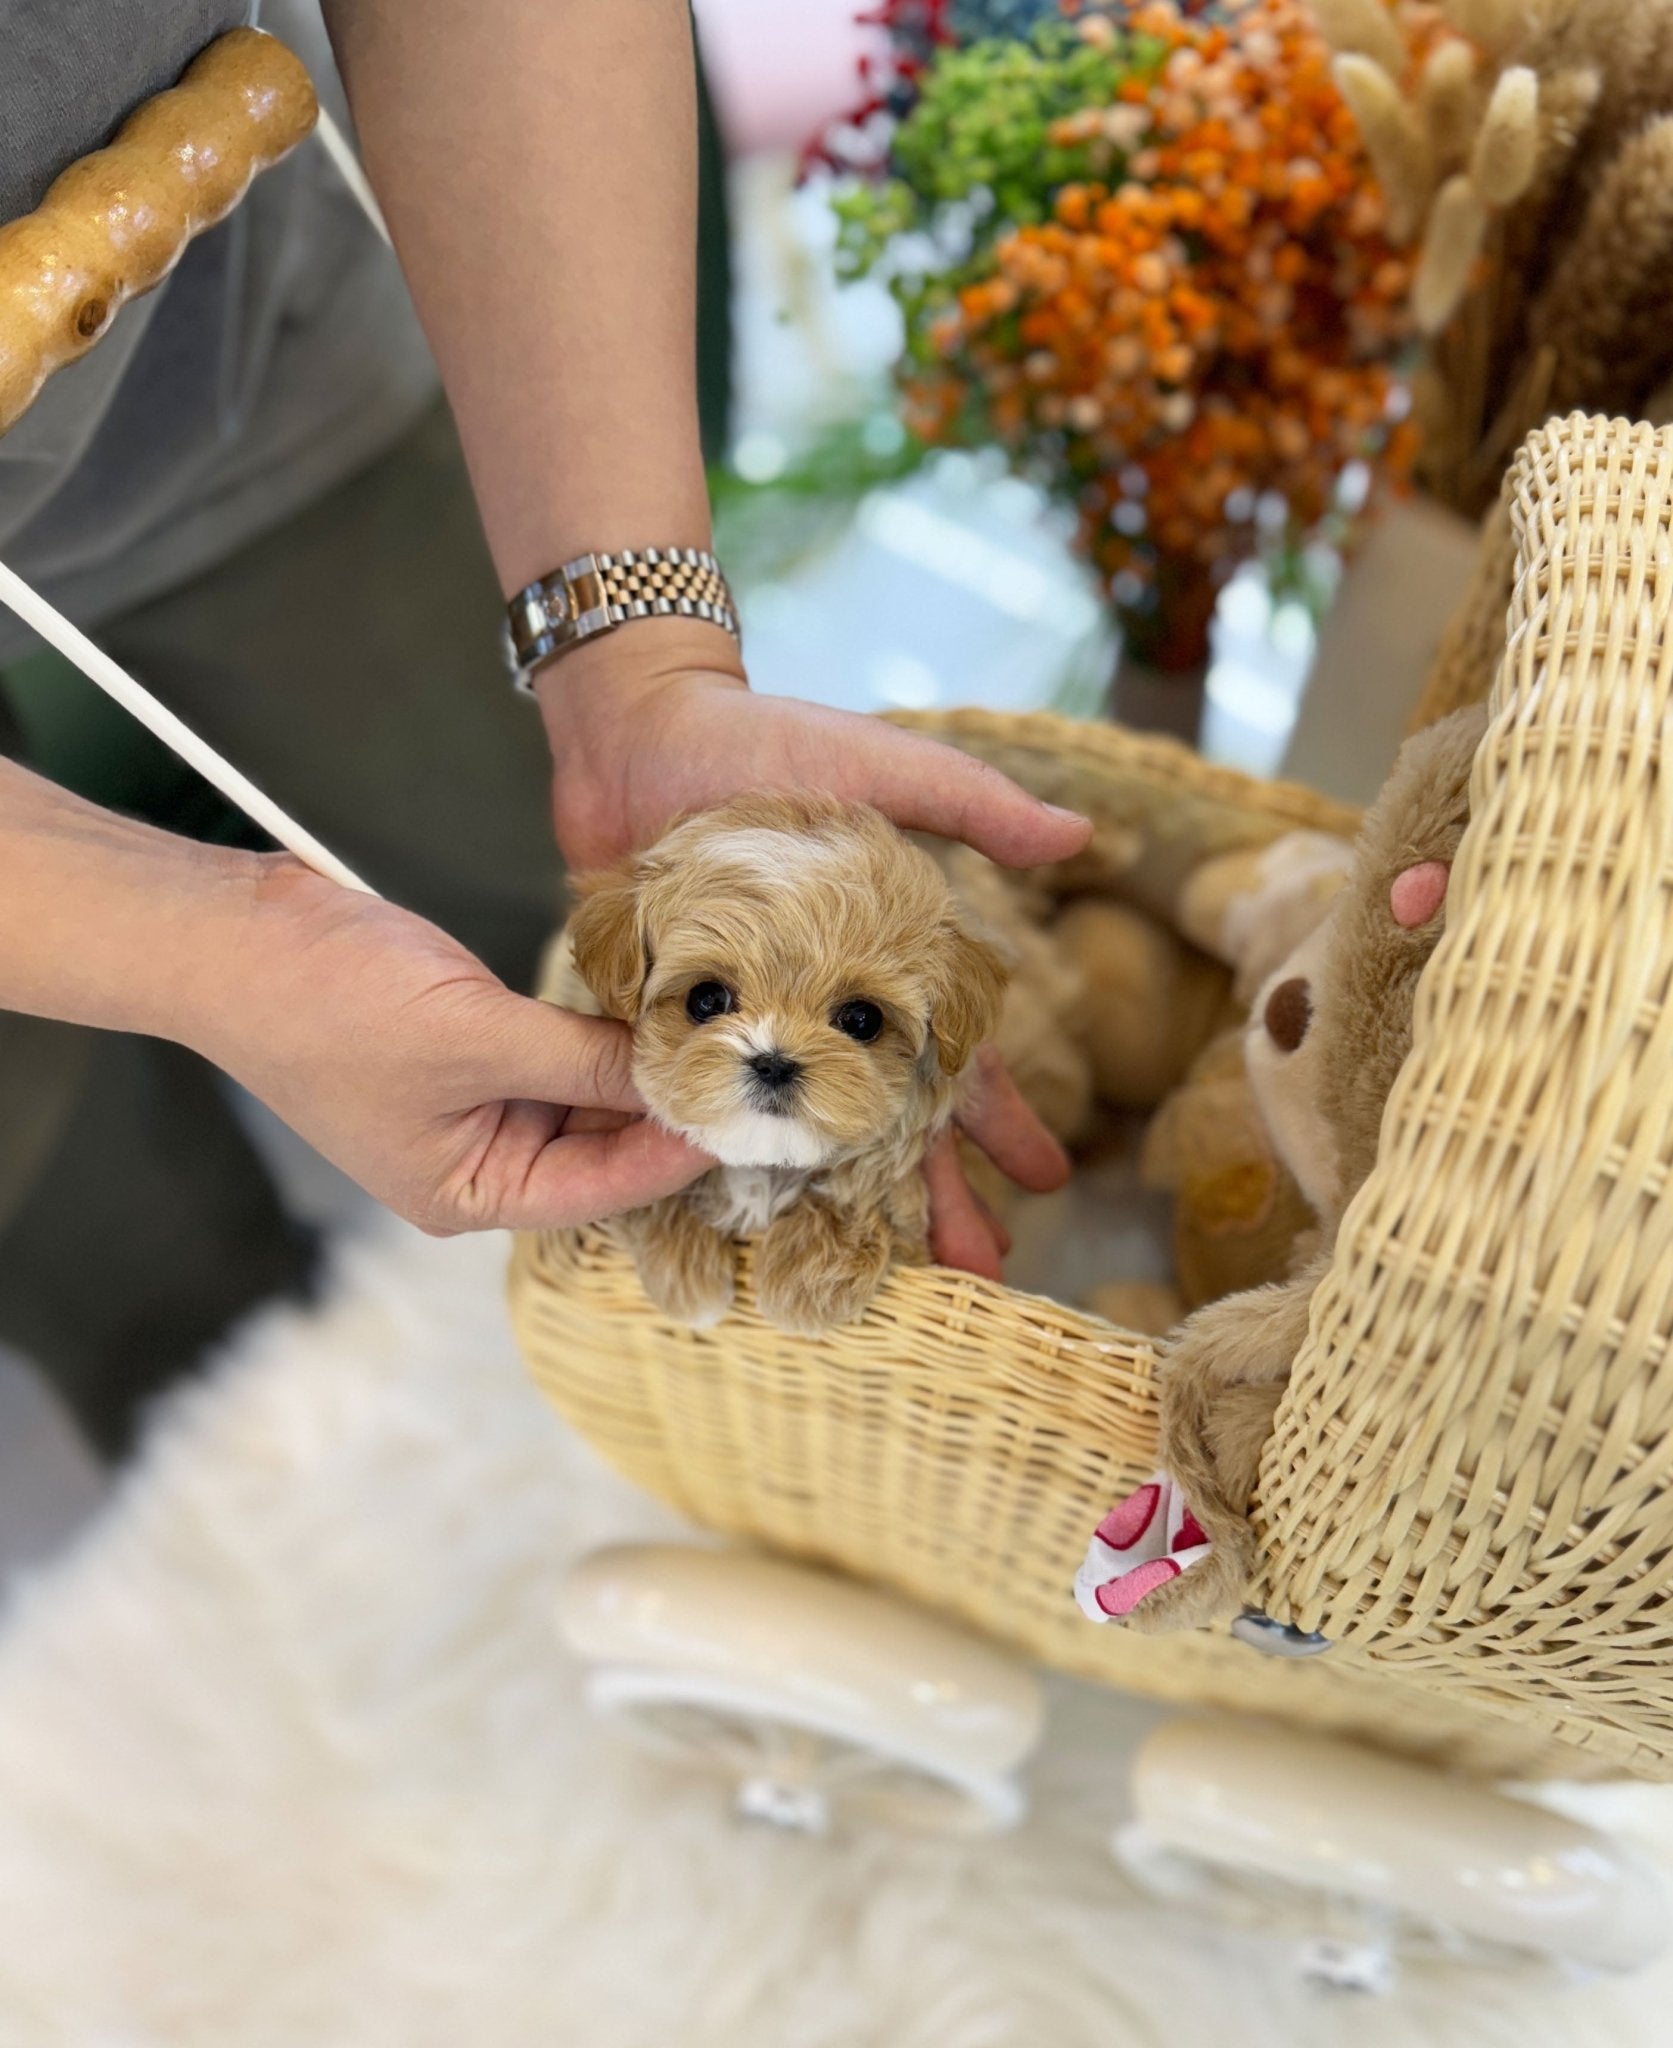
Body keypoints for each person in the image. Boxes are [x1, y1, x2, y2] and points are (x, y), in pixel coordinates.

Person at [0, 0, 1089, 1452]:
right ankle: (252, 1422)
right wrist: (207, 946)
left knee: (515, 870)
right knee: (72, 1184)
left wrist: (638, 670)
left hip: (257, 335)